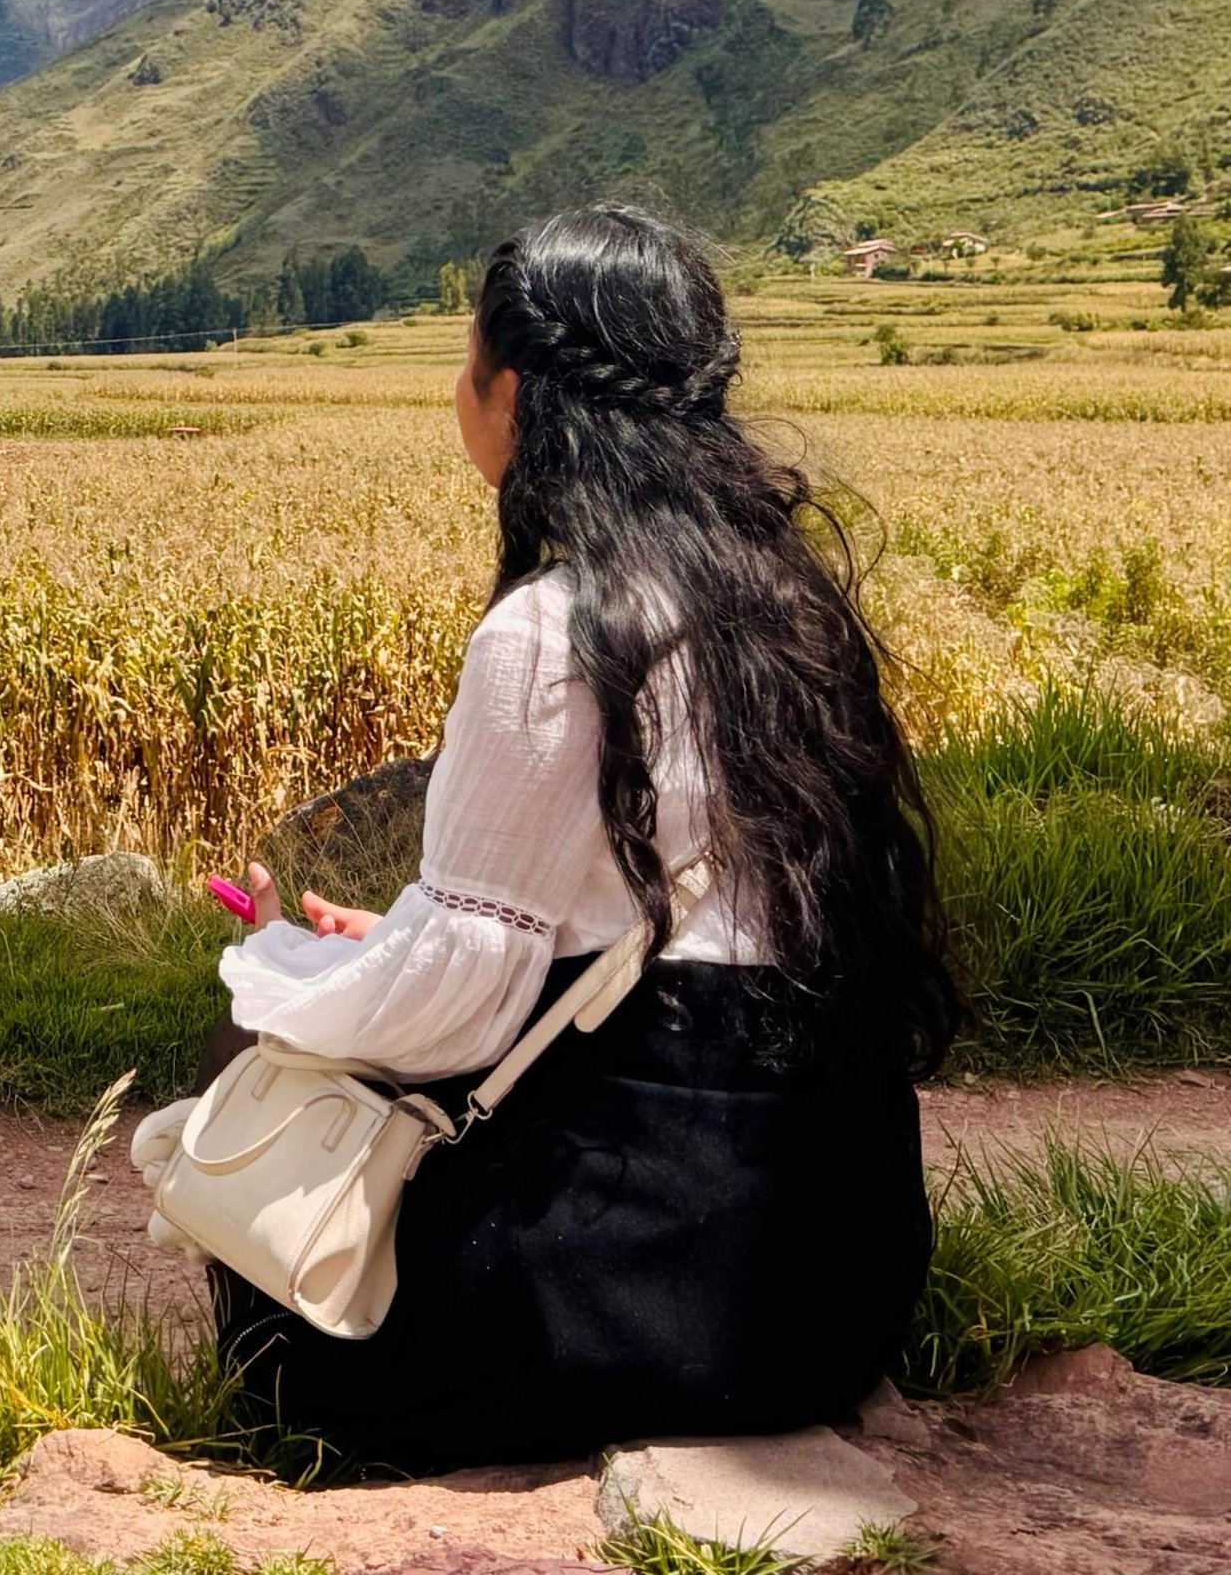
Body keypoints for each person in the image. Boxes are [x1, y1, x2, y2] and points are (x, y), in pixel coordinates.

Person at [203, 207, 955, 1475]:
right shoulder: (785, 604)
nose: (459, 391)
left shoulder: (555, 631)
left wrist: (287, 972)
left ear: (519, 397)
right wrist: (413, 937)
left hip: (628, 1300)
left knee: (260, 1108)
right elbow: (645, 936)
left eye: (468, 360)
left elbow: (456, 1003)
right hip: (828, 1294)